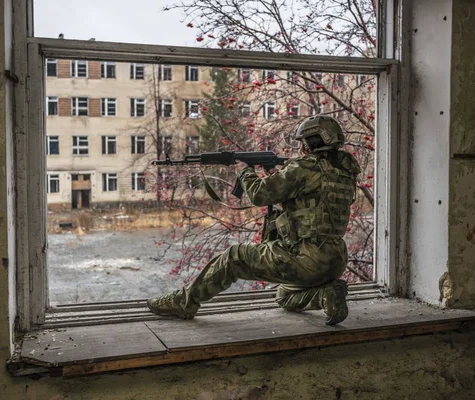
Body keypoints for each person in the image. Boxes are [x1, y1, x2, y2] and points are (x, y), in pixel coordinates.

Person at [147, 114, 361, 325]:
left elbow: (260, 194)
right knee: (284, 296)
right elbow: (313, 204)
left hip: (306, 259)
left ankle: (184, 303)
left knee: (234, 257)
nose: (301, 147)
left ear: (313, 141)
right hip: (335, 260)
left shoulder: (304, 168)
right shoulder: (344, 172)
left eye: (304, 141)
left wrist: (244, 172)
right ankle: (326, 295)